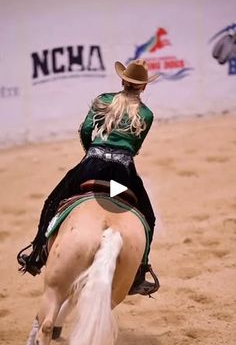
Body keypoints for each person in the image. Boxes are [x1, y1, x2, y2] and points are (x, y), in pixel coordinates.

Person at [17, 59, 160, 296]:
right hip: (120, 179)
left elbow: (85, 130)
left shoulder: (103, 99)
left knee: (53, 201)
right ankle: (140, 272)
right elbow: (135, 148)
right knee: (148, 217)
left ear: (123, 80)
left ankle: (37, 253)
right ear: (143, 87)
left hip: (91, 169)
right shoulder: (146, 114)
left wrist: (90, 153)